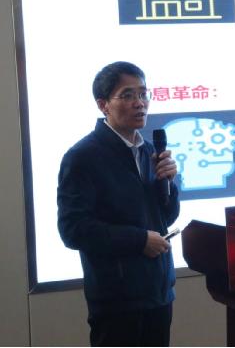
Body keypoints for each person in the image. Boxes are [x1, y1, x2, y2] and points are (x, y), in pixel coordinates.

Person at [57, 61, 180, 346]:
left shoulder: (150, 151)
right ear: (103, 105)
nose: (140, 103)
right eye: (127, 95)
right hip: (117, 301)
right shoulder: (83, 157)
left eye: (143, 94)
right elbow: (73, 229)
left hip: (158, 293)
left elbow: (166, 217)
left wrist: (169, 184)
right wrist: (139, 240)